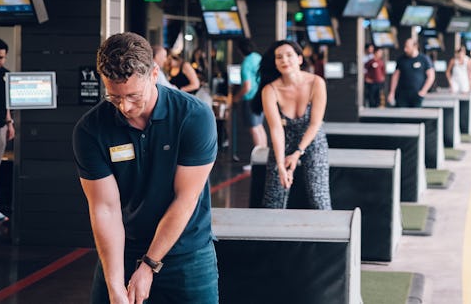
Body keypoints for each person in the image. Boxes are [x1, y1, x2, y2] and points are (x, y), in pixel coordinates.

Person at [73, 32, 218, 303]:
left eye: (133, 96)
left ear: (154, 74)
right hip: (123, 250)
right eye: (114, 97)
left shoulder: (194, 117)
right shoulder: (91, 129)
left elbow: (185, 199)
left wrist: (149, 265)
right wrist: (115, 284)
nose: (125, 107)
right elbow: (105, 208)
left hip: (187, 252)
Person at [252, 40, 331, 210]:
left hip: (312, 140)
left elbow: (315, 123)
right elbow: (276, 129)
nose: (284, 60)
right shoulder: (270, 90)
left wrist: (297, 153)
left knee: (319, 197)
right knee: (273, 199)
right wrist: (280, 164)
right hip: (283, 141)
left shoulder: (317, 83)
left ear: (300, 59)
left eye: (289, 55)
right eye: (279, 57)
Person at [0, 38, 14, 223]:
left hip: (1, 124)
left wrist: (10, 123)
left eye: (1, 57)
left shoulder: (7, 75)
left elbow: (7, 102)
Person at [233, 38, 267, 150]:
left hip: (250, 99)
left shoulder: (246, 63)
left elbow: (247, 86)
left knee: (254, 128)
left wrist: (236, 98)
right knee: (259, 127)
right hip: (260, 97)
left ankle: (258, 162)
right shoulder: (258, 57)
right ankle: (263, 159)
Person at [387, 38, 435, 108]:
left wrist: (423, 91)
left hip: (416, 95)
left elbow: (431, 76)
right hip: (402, 95)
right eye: (405, 47)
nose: (405, 49)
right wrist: (392, 92)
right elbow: (395, 76)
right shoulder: (401, 59)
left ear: (415, 46)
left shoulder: (424, 59)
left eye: (408, 47)